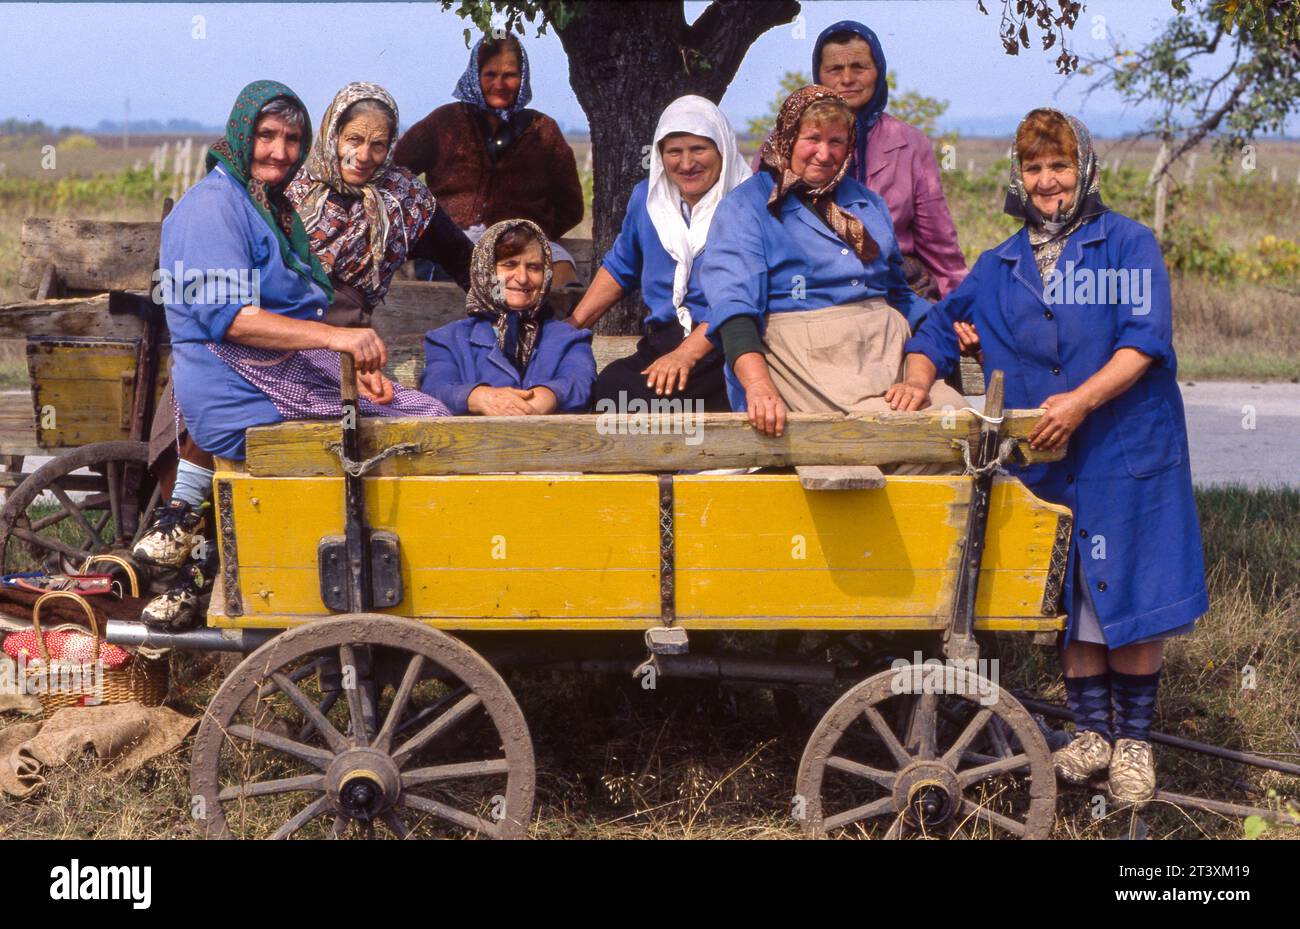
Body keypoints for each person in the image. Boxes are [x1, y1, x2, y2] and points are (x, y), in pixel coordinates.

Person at [891, 108, 1208, 805]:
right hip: (1050, 458)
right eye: (1034, 168)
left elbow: (1144, 339)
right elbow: (942, 321)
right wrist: (922, 369)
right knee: (1071, 596)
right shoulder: (1000, 263)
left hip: (1125, 443)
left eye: (1058, 165)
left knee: (1131, 591)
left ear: (1083, 168)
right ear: (1018, 174)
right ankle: (1091, 734)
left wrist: (1080, 402)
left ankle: (1133, 745)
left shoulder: (1128, 244)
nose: (1046, 181)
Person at [134, 80, 449, 629]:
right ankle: (398, 574)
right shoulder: (213, 207)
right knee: (428, 423)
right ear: (240, 135)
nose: (279, 151)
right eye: (266, 136)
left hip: (271, 365)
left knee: (407, 407)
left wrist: (352, 369)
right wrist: (339, 342)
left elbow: (299, 311)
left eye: (291, 139)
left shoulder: (265, 205)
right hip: (238, 383)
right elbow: (227, 317)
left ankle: (202, 563)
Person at [699, 85, 963, 450]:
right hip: (804, 359)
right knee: (883, 443)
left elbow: (899, 294)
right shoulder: (747, 207)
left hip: (886, 351)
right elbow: (734, 307)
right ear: (788, 138)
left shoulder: (865, 202)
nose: (825, 154)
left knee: (960, 432)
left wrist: (922, 367)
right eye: (812, 139)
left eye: (837, 141)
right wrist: (758, 386)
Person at [751, 21, 968, 301]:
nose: (847, 79)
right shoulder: (785, 143)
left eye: (859, 67)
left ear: (878, 71)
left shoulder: (910, 144)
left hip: (894, 286)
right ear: (819, 76)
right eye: (834, 70)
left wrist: (960, 310)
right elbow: (758, 230)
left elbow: (940, 247)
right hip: (806, 290)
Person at [568, 96, 748, 413]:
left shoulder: (746, 203)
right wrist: (574, 324)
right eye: (674, 151)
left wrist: (686, 354)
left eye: (699, 149)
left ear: (723, 149)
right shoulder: (648, 200)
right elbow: (621, 266)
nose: (686, 163)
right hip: (663, 340)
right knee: (612, 387)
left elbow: (741, 295)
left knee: (646, 402)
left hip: (724, 343)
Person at [394, 33, 585, 287]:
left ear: (523, 77)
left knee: (563, 278)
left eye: (510, 75)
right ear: (475, 74)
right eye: (490, 75)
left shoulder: (543, 131)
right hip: (453, 240)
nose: (500, 84)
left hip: (525, 242)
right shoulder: (443, 122)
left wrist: (534, 229)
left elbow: (571, 206)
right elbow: (394, 172)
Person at [421, 220, 595, 415]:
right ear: (485, 271)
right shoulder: (447, 340)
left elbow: (580, 382)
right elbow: (436, 387)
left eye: (534, 267)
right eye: (509, 264)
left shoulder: (568, 339)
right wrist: (479, 397)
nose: (522, 278)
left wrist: (549, 396)